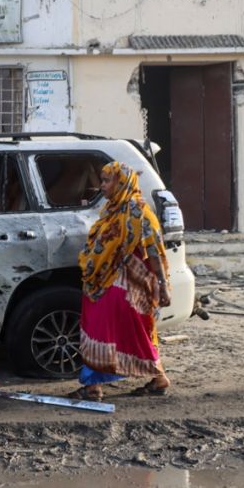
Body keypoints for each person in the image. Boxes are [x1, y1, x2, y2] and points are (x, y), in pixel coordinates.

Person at [72, 162, 172, 401]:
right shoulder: (112, 210)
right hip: (106, 283)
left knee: (101, 329)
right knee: (132, 332)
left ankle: (93, 386)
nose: (102, 186)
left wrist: (163, 286)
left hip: (125, 287)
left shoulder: (140, 212)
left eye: (107, 181)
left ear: (122, 182)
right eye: (103, 180)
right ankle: (158, 378)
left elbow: (155, 251)